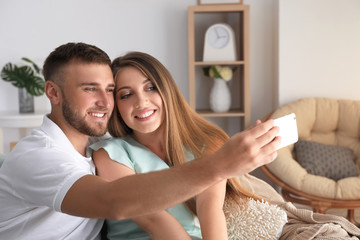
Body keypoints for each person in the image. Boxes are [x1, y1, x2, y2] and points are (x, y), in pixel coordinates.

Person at [0, 42, 280, 239]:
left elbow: (210, 210)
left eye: (109, 90)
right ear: (53, 92)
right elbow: (115, 202)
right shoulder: (38, 157)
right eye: (89, 89)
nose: (103, 101)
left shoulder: (86, 151)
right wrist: (220, 165)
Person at [90, 51, 273, 240]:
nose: (141, 101)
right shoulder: (109, 154)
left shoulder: (207, 144)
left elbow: (209, 208)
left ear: (167, 90)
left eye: (151, 87)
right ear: (115, 106)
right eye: (126, 95)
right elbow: (153, 221)